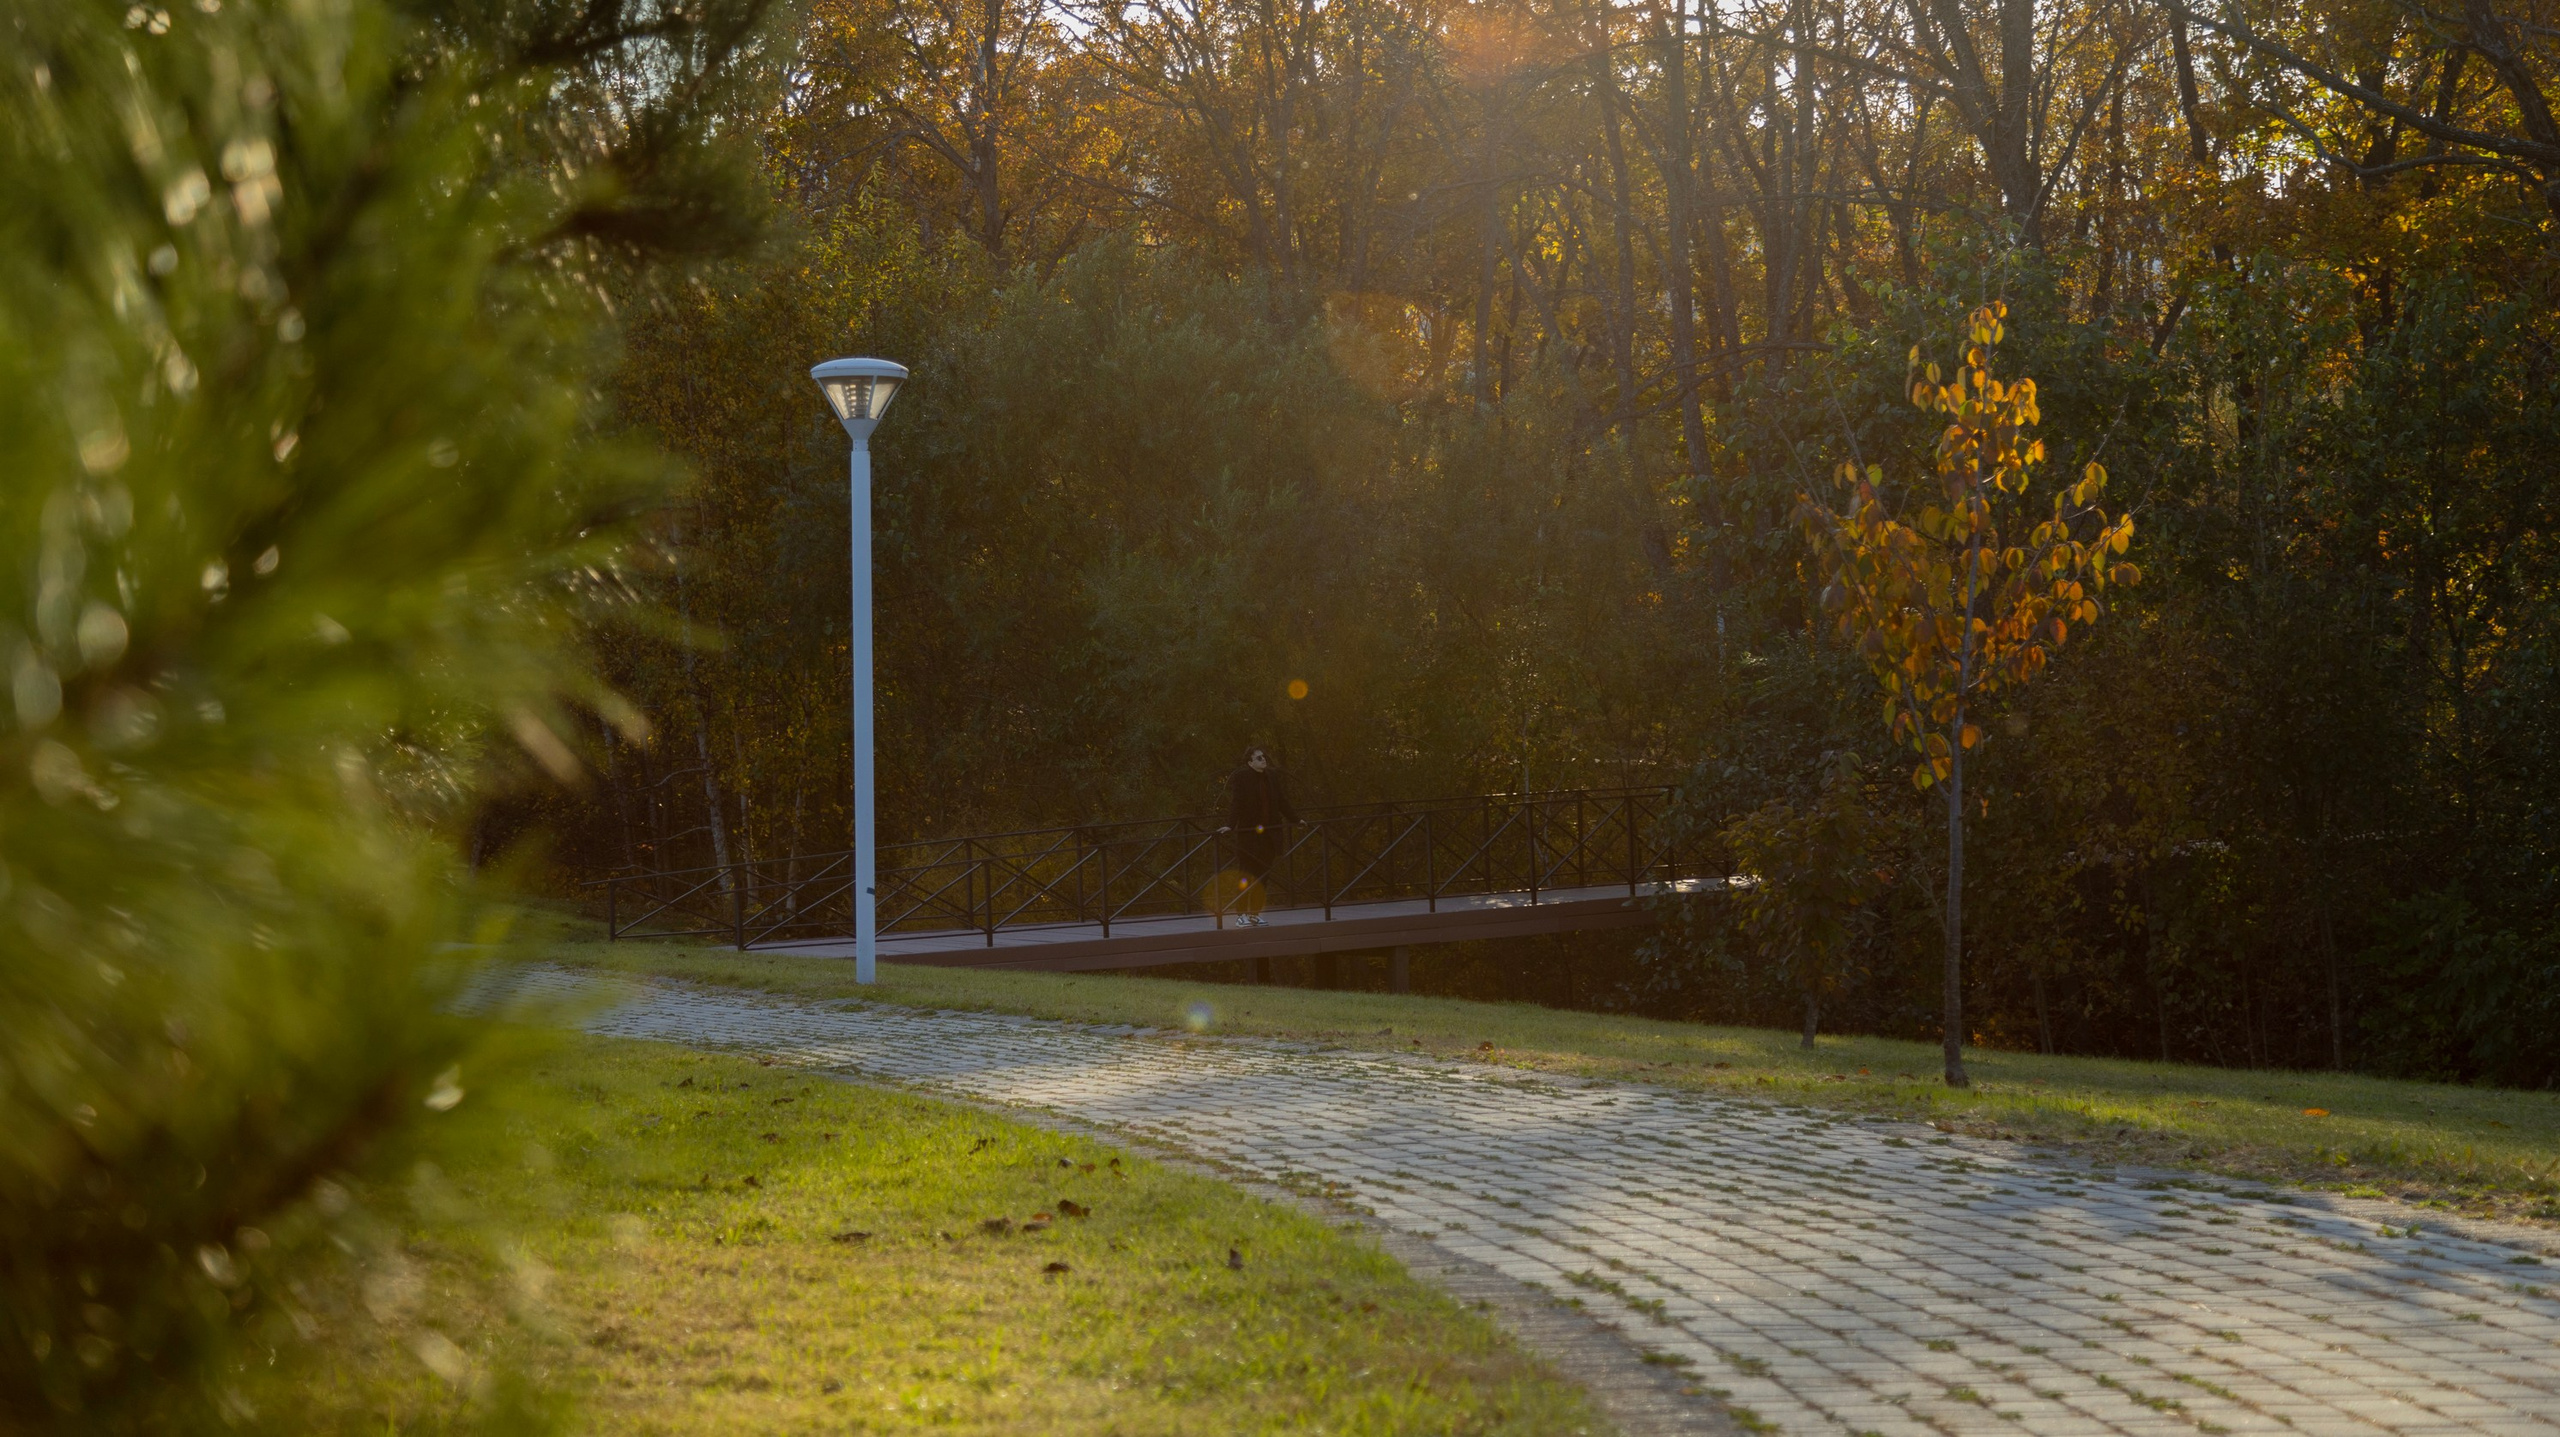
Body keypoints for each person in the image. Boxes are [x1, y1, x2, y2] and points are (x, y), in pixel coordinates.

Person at [1219, 746, 1298, 926]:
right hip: (1249, 836)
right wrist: (1229, 825)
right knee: (1246, 875)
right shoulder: (1242, 777)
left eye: (1264, 756)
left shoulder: (1271, 776)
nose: (1264, 759)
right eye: (1259, 757)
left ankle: (1254, 913)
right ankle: (1241, 914)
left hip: (1269, 835)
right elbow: (1236, 803)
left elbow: (1281, 801)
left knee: (1263, 876)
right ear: (1250, 762)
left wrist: (1296, 819)